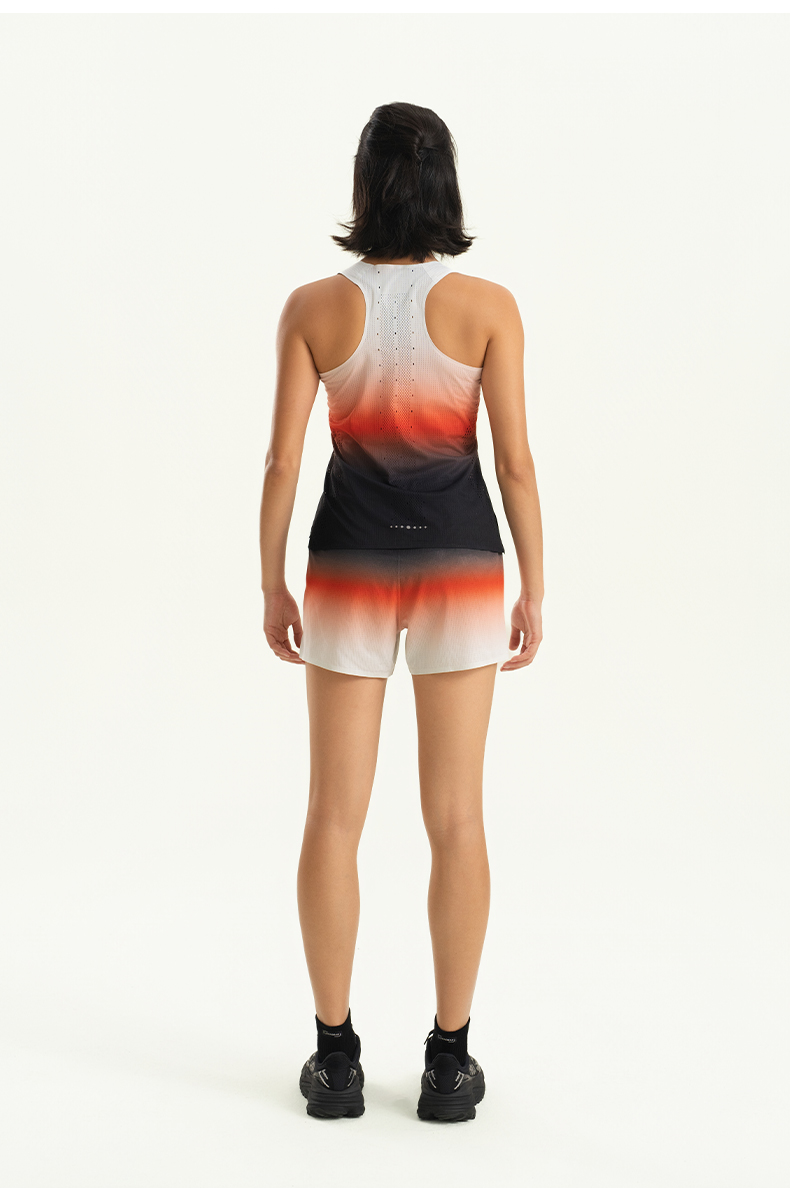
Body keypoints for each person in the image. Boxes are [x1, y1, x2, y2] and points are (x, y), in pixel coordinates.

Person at [259, 101, 543, 1123]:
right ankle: (448, 1063)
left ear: (363, 182)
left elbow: (284, 460)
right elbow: (513, 461)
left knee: (332, 816)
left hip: (345, 567)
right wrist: (535, 583)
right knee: (456, 817)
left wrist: (271, 582)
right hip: (461, 568)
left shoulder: (312, 308)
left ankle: (334, 1060)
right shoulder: (488, 306)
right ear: (444, 183)